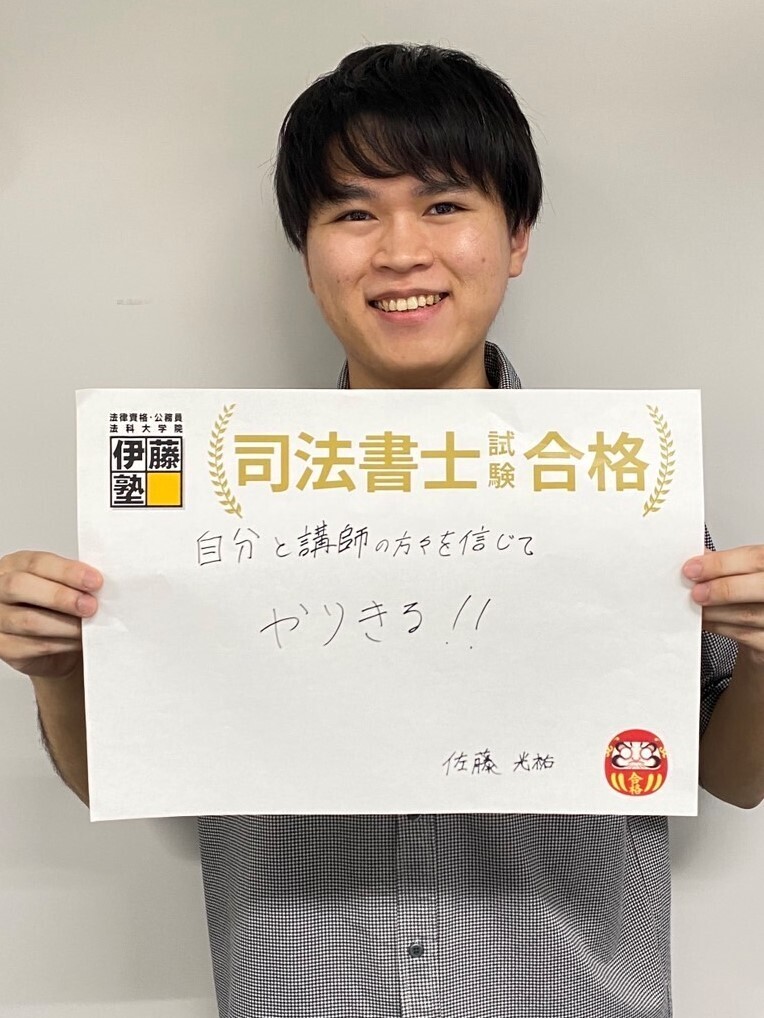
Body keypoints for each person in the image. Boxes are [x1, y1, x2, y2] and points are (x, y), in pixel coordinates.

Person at [1, 42, 762, 1018]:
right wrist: (58, 668)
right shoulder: (202, 503)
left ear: (515, 236)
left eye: (442, 205)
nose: (400, 251)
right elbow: (119, 771)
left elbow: (733, 778)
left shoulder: (627, 483)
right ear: (307, 251)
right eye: (354, 212)